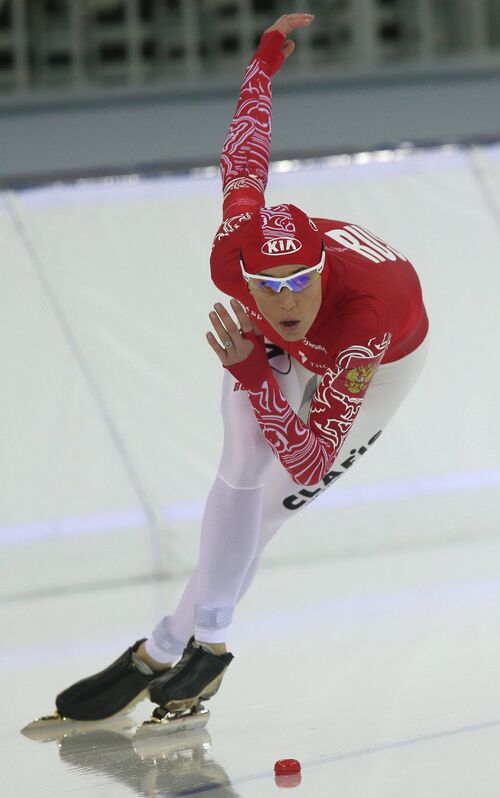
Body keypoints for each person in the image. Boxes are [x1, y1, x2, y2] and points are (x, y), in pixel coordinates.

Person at [53, 13, 429, 725]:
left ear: (323, 269)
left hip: (378, 364)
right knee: (242, 458)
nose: (285, 302)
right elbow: (243, 156)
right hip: (282, 347)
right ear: (244, 274)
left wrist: (256, 374)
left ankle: (167, 647)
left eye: (300, 283)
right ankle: (203, 646)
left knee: (270, 507)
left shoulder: (363, 322)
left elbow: (312, 457)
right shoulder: (235, 253)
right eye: (267, 286)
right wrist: (260, 69)